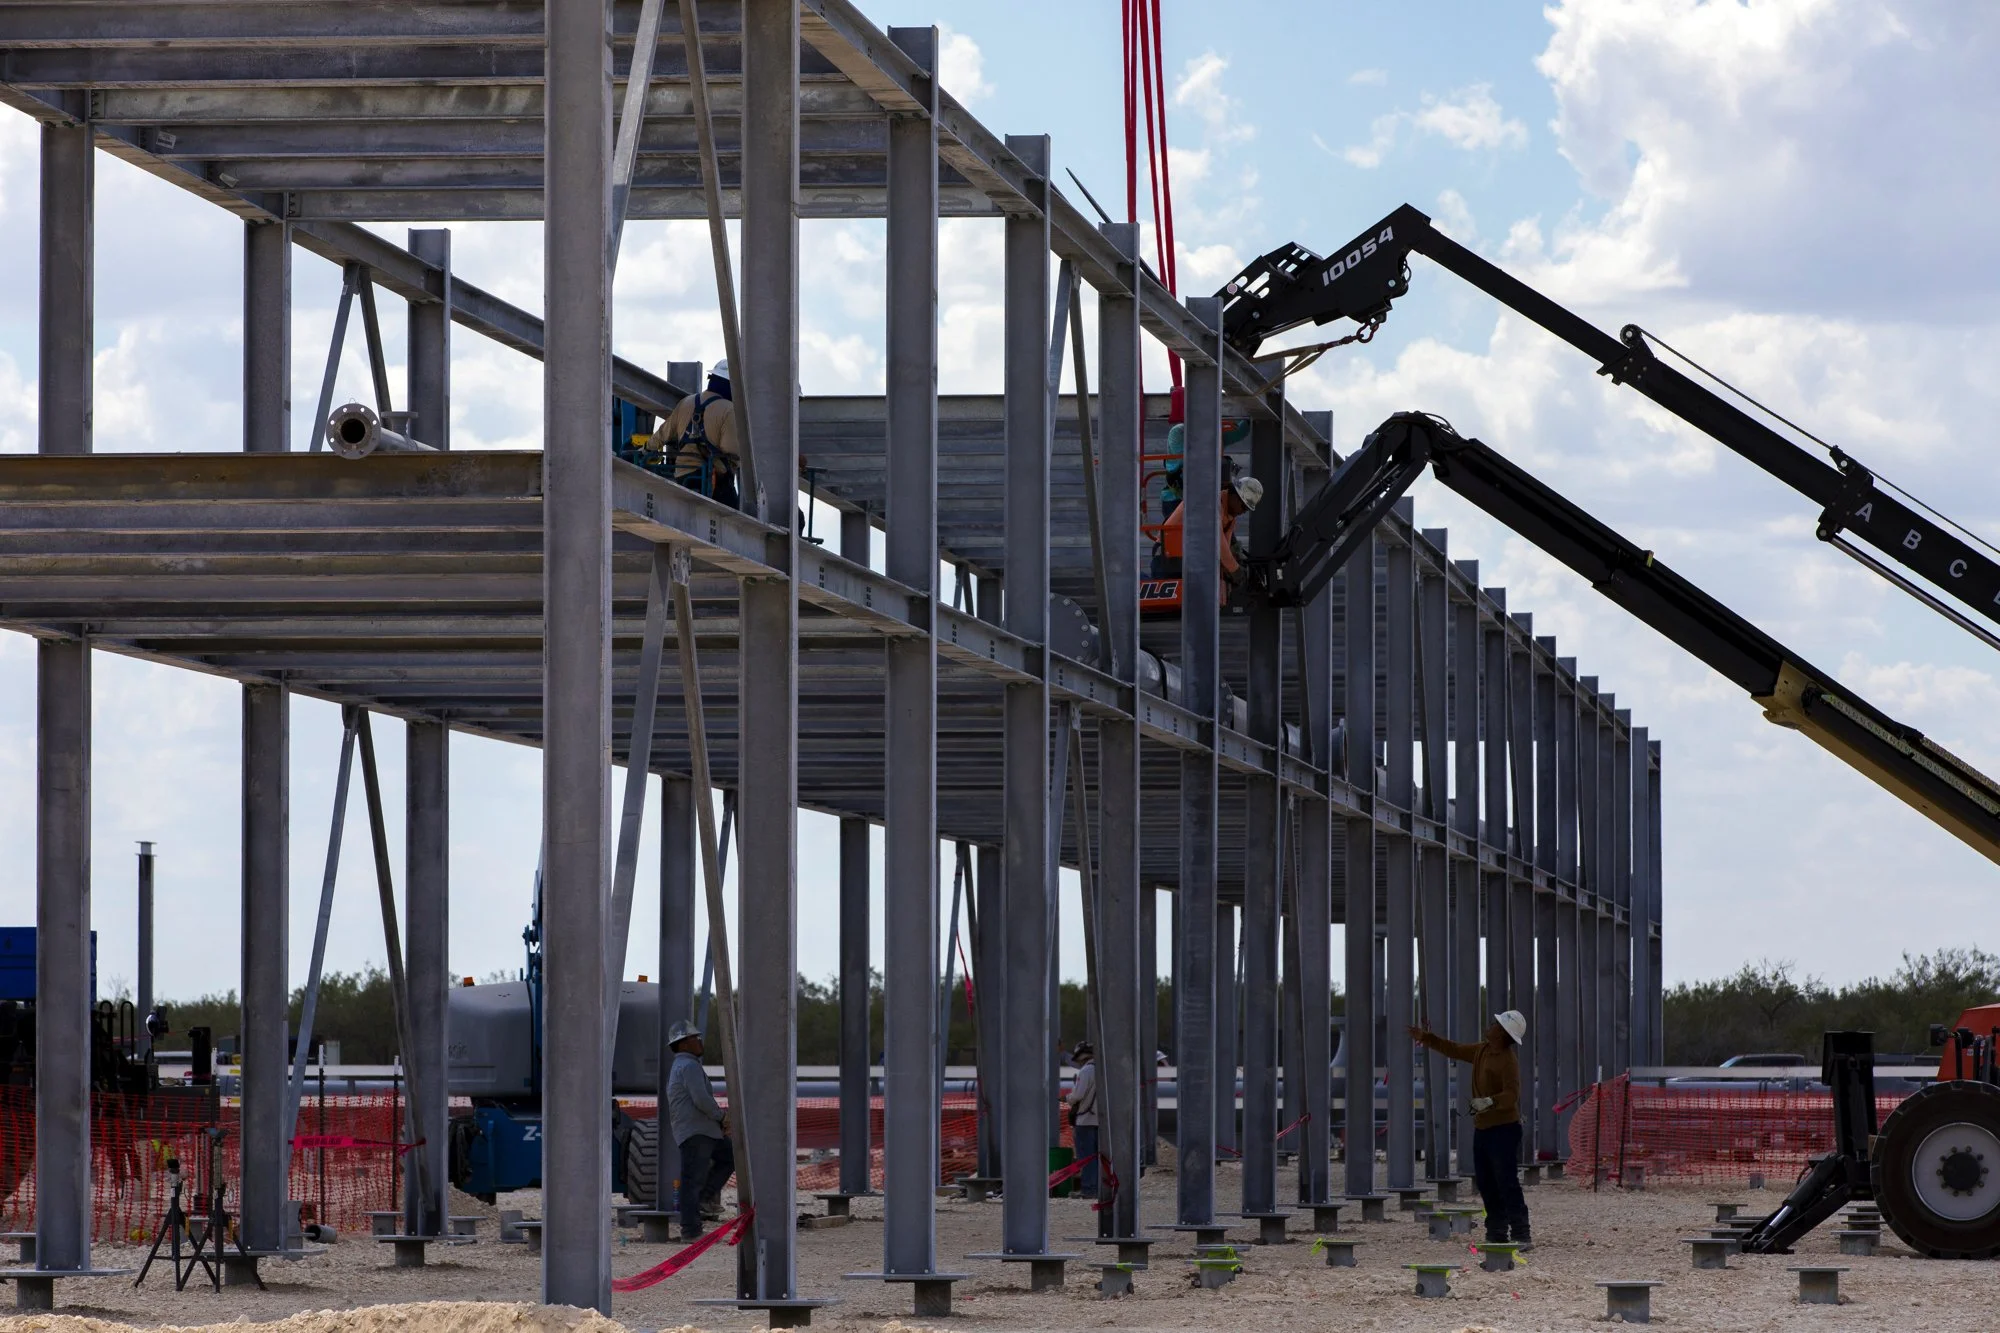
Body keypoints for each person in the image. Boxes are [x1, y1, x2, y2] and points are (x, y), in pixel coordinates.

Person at [1408, 1010, 1532, 1248]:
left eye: (1496, 1024)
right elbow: (1453, 1049)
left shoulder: (1507, 1060)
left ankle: (1521, 1233)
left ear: (1503, 1033)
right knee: (1486, 1182)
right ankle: (1496, 1232)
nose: (1491, 1025)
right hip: (1484, 1129)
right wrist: (1427, 1038)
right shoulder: (1482, 1051)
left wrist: (1490, 1101)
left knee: (1506, 1182)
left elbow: (1512, 1094)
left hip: (1504, 1130)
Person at [663, 1019, 734, 1239]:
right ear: (683, 1043)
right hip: (696, 1132)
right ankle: (691, 1230)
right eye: (695, 1038)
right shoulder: (689, 1066)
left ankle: (705, 1199)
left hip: (702, 1130)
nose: (699, 1041)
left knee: (729, 1156)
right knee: (691, 1180)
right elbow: (701, 1099)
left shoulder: (684, 1066)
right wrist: (721, 1117)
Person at [1156, 472, 1264, 597]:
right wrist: (1235, 570)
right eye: (1243, 506)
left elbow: (1224, 550)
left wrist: (1228, 570)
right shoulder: (1211, 503)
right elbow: (1217, 540)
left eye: (1247, 509)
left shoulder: (1229, 519)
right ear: (1234, 494)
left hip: (1186, 559)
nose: (1243, 512)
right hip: (1168, 557)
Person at [1158, 385, 1252, 520]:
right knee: (1175, 537)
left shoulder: (1213, 435)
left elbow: (1240, 432)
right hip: (1176, 497)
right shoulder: (1179, 431)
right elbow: (1186, 461)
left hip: (1201, 498)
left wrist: (1249, 410)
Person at [658, 359, 741, 508]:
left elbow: (662, 434)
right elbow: (731, 453)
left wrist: (644, 450)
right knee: (739, 516)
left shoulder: (687, 402)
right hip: (712, 481)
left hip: (681, 475)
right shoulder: (729, 410)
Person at [1064, 1041, 1100, 1195]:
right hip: (1100, 1121)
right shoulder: (1104, 1070)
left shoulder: (1086, 1071)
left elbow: (1077, 1095)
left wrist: (1067, 1098)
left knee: (1086, 1157)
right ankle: (1098, 1188)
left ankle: (1088, 1188)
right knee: (1099, 1157)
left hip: (1085, 1120)